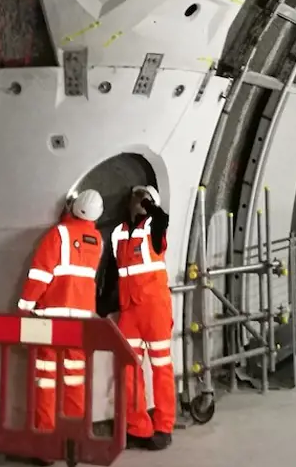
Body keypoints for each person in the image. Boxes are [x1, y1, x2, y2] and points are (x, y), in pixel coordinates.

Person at [18, 188, 104, 430]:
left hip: (51, 318)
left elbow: (39, 276)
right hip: (81, 321)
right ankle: (72, 436)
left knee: (45, 377)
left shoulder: (58, 235)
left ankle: (45, 436)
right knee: (75, 376)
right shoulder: (97, 242)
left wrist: (24, 309)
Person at [111, 185, 175, 451]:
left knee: (161, 368)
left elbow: (162, 219)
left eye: (141, 199)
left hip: (154, 309)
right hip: (129, 310)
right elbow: (112, 271)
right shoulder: (119, 233)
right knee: (128, 368)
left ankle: (164, 426)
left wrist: (148, 204)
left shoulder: (155, 226)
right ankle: (138, 426)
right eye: (133, 198)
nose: (134, 202)